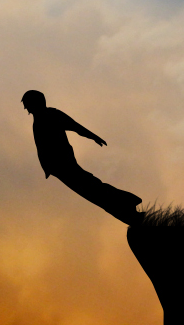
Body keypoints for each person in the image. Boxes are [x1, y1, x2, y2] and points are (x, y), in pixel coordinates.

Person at [22, 89, 142, 224]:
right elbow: (42, 146)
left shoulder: (51, 115)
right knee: (89, 190)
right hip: (58, 167)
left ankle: (128, 206)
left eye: (27, 104)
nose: (26, 108)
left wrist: (93, 137)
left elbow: (75, 126)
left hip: (64, 164)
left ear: (35, 103)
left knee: (90, 188)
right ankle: (127, 210)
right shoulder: (38, 120)